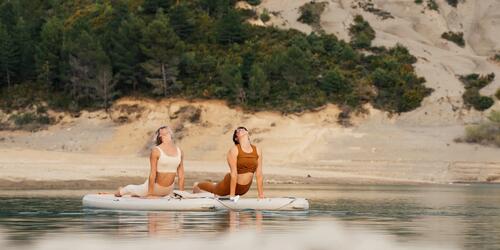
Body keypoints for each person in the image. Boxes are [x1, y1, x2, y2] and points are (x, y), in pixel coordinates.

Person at [193, 126, 264, 199]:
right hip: (228, 184)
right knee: (214, 188)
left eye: (244, 129)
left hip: (244, 189)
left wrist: (261, 195)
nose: (241, 130)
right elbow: (234, 173)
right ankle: (197, 185)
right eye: (238, 130)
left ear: (248, 133)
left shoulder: (258, 150)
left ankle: (212, 185)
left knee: (215, 186)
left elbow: (259, 174)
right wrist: (232, 196)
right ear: (236, 138)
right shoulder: (234, 150)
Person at [114, 126, 184, 198]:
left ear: (170, 134)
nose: (165, 130)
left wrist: (182, 193)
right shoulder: (156, 151)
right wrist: (150, 194)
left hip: (169, 189)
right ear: (160, 136)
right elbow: (152, 173)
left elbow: (181, 174)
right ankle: (121, 190)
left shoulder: (179, 151)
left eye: (167, 130)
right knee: (131, 188)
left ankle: (136, 194)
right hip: (153, 188)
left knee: (139, 193)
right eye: (162, 131)